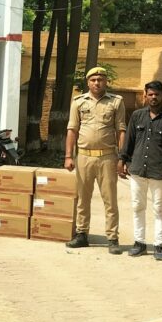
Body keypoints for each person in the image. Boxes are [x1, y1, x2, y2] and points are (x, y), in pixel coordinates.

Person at [118, 81, 162, 261]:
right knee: (137, 206)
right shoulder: (137, 116)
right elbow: (129, 140)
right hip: (137, 170)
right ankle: (139, 242)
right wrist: (122, 159)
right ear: (145, 96)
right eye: (150, 94)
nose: (154, 97)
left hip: (159, 171)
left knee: (159, 209)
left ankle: (159, 245)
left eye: (157, 94)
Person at [65, 66, 127, 253]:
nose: (97, 83)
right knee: (82, 198)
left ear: (106, 81)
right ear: (88, 82)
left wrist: (122, 158)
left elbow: (121, 130)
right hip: (84, 156)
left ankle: (112, 238)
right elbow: (72, 130)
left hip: (107, 157)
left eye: (100, 79)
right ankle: (81, 234)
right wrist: (68, 156)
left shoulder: (116, 102)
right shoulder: (78, 102)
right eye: (93, 80)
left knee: (110, 200)